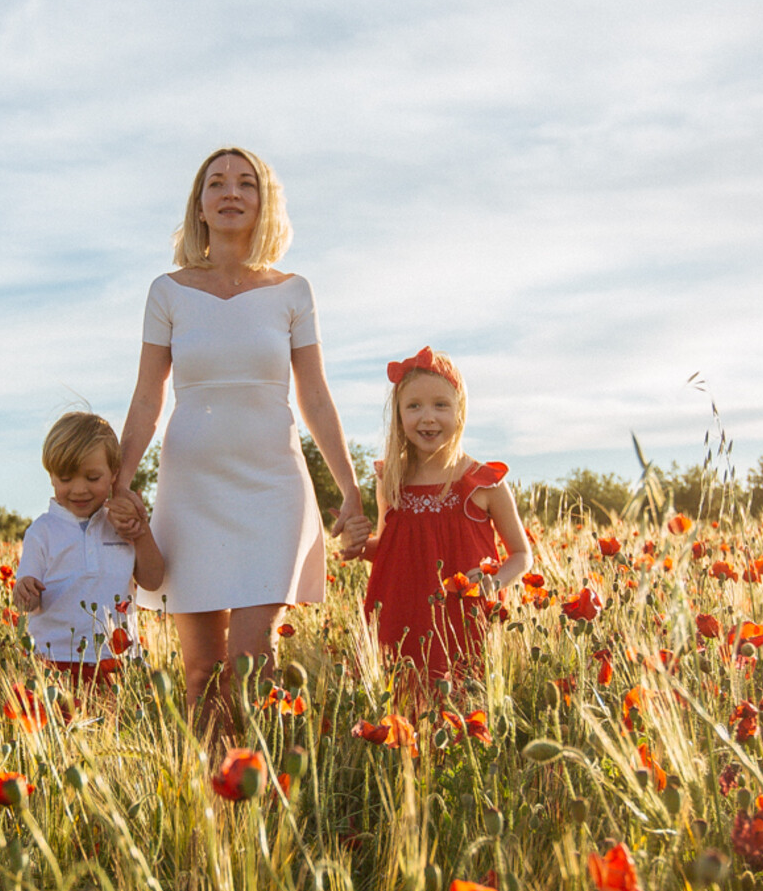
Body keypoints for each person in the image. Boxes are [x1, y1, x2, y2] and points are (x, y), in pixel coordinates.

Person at [110, 147, 368, 719]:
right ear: (199, 205)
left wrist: (349, 490)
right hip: (191, 494)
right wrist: (120, 485)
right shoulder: (168, 291)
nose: (231, 192)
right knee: (202, 673)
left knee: (254, 665)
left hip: (273, 490)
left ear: (264, 201)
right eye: (217, 183)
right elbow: (148, 396)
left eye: (246, 183)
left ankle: (256, 796)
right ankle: (212, 804)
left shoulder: (293, 291)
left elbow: (317, 397)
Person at [356, 348, 533, 685]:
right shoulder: (390, 481)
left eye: (440, 405)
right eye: (413, 406)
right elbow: (387, 550)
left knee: (465, 711)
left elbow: (522, 555)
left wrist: (493, 584)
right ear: (397, 415)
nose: (428, 417)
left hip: (461, 619)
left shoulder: (483, 483)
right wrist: (359, 547)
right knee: (403, 711)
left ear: (460, 411)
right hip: (401, 615)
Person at [12, 410, 164, 686]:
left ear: (114, 474)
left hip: (116, 659)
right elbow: (26, 602)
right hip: (54, 659)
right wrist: (25, 590)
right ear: (51, 478)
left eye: (92, 478)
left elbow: (153, 581)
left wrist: (141, 532)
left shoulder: (123, 524)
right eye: (66, 479)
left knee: (117, 729)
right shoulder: (42, 531)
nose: (79, 489)